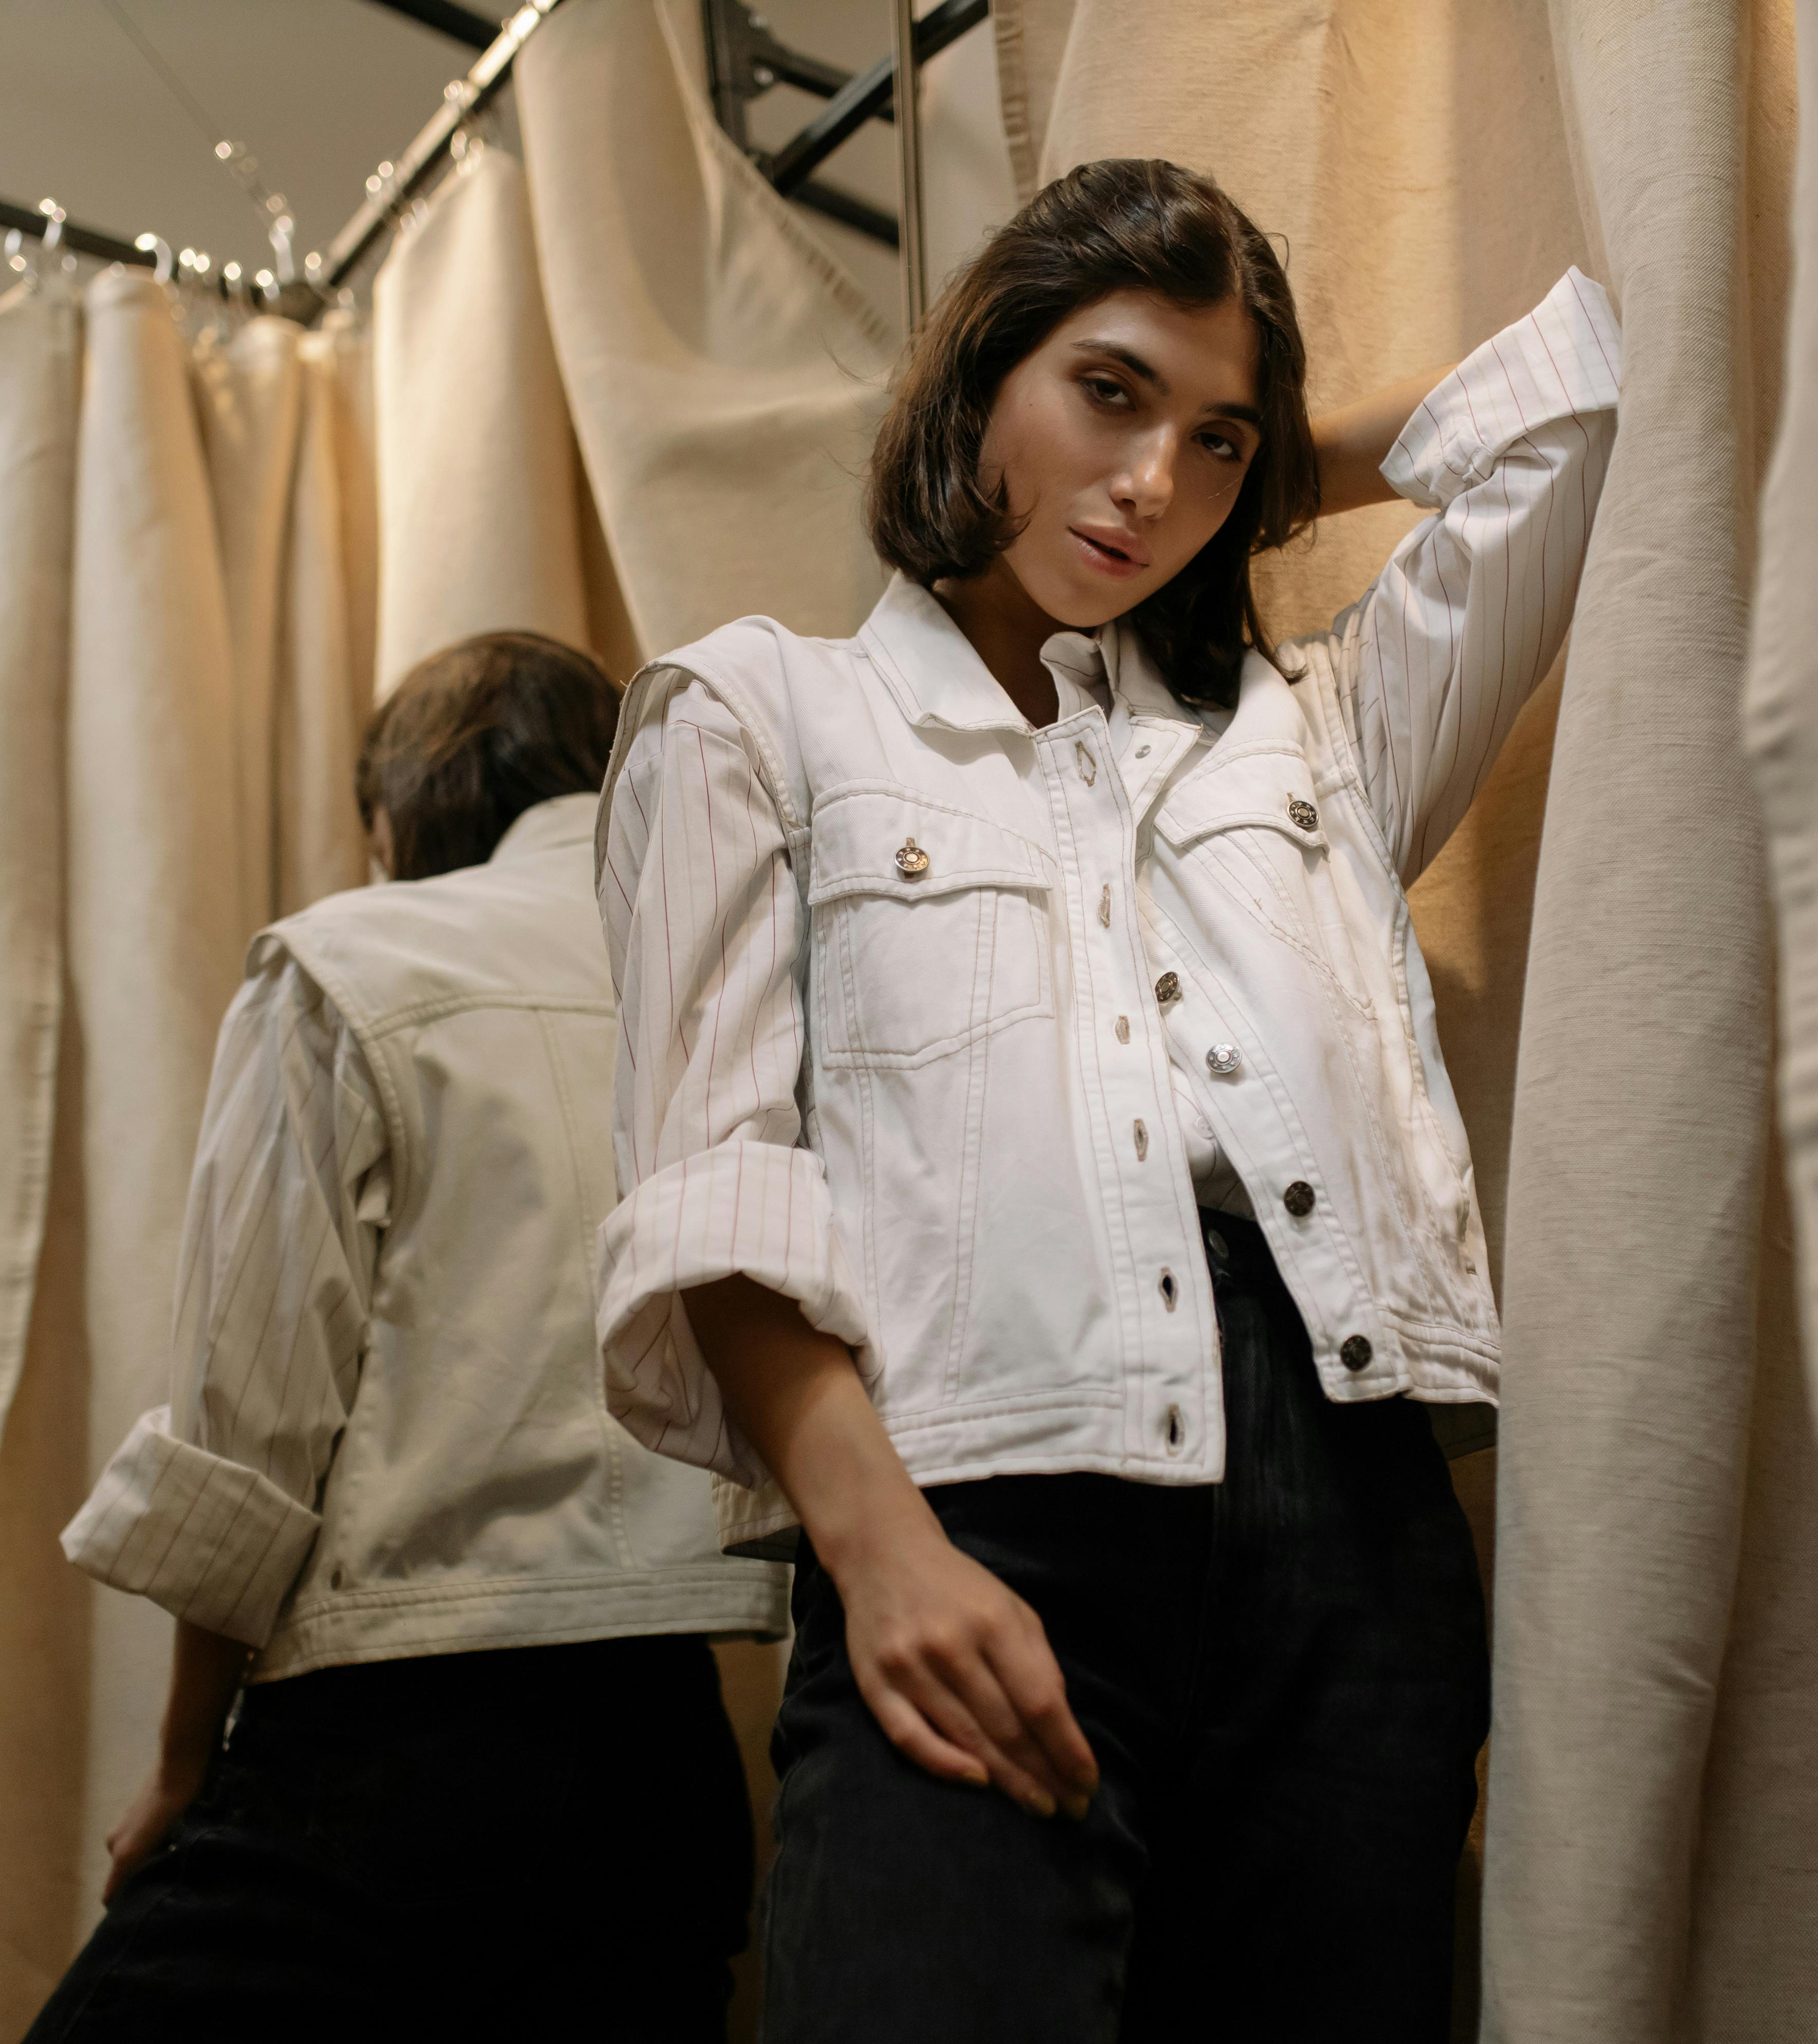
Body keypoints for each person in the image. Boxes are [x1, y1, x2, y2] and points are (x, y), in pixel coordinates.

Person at [596, 160, 1621, 2039]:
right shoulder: (760, 716)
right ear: (982, 369)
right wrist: (880, 1548)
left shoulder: (1313, 730)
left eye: (1218, 440)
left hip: (1353, 1521)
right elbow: (716, 1189)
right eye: (1111, 390)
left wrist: (1263, 460)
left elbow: (1580, 407)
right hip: (979, 1496)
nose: (1157, 483)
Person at [28, 632, 791, 2042]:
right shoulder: (745, 984)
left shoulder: (348, 966)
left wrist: (187, 1765)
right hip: (673, 1760)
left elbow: (248, 1427)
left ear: (405, 814)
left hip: (393, 1726)